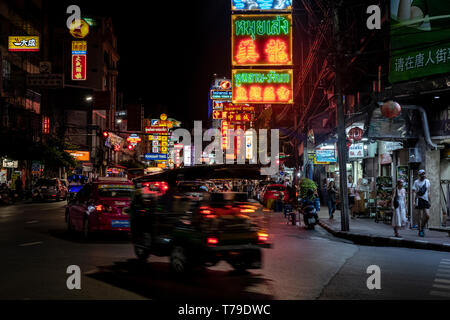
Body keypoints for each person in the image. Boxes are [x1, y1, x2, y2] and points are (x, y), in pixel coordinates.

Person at [412, 169, 431, 237]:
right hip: (419, 199)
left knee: (427, 216)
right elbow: (414, 192)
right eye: (422, 174)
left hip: (425, 200)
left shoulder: (427, 181)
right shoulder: (416, 182)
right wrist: (414, 201)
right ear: (419, 175)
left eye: (424, 173)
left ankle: (422, 227)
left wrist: (429, 200)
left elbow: (428, 191)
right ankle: (420, 230)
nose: (423, 175)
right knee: (420, 216)